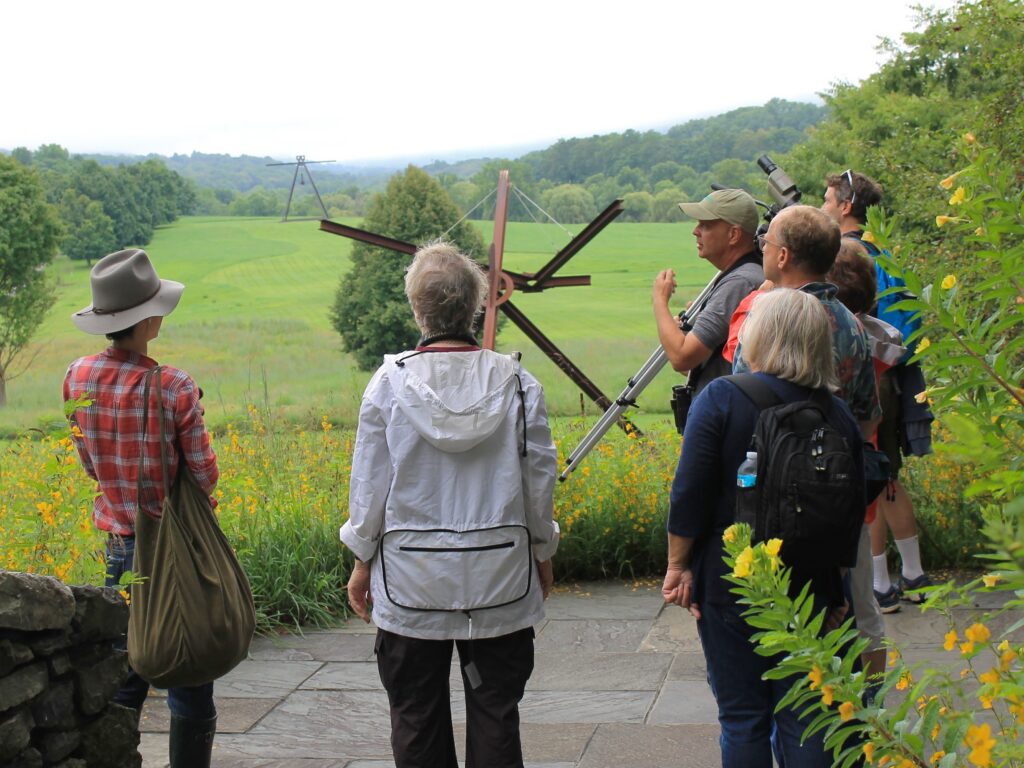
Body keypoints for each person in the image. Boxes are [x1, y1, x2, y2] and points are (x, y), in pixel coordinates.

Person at [341, 241, 559, 768]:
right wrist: (543, 550)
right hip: (501, 577)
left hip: (410, 582)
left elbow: (369, 487)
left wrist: (361, 559)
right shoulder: (518, 385)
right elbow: (539, 482)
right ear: (477, 306)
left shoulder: (389, 385)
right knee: (496, 710)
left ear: (418, 309)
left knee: (415, 712)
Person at [663, 288, 865, 768]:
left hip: (732, 577)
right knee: (808, 715)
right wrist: (838, 588)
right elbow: (850, 509)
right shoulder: (838, 415)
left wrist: (679, 565)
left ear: (758, 336)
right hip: (812, 581)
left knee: (742, 716)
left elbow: (688, 492)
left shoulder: (721, 398)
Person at [64, 249, 220, 766]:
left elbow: (89, 462)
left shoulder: (77, 378)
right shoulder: (172, 384)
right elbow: (203, 473)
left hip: (120, 547)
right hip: (174, 546)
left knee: (125, 671)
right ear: (148, 320)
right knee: (187, 667)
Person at [822, 170, 933, 610]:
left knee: (868, 477)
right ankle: (913, 574)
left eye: (828, 199)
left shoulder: (846, 253)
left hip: (867, 374)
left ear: (846, 206)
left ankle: (881, 583)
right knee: (887, 478)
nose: (824, 206)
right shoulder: (883, 253)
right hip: (892, 373)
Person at [653, 189, 764, 394]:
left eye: (706, 225)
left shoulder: (740, 282)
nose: (696, 231)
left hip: (726, 416)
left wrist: (660, 300)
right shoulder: (747, 275)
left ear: (733, 234)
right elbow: (692, 366)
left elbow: (681, 357)